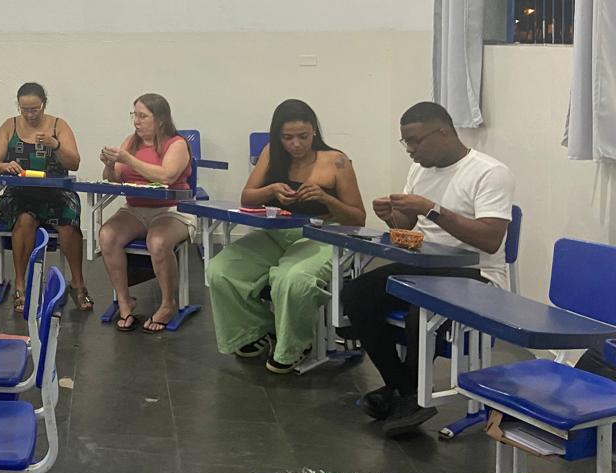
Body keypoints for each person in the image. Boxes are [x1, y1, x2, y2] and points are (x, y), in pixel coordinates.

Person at [342, 101, 515, 438]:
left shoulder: (490, 173)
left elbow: (491, 240)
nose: (410, 149)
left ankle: (402, 393)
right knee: (357, 293)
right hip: (426, 266)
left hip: (477, 273)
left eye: (415, 141)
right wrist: (391, 216)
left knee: (420, 309)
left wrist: (433, 209)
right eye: (405, 142)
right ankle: (406, 390)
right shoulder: (420, 169)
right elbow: (407, 225)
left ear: (444, 133)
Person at [206, 100, 365, 373]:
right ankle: (257, 329)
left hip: (322, 235)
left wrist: (326, 199)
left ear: (314, 130)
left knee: (293, 279)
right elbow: (247, 197)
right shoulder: (271, 153)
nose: (295, 144)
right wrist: (271, 191)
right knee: (221, 270)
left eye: (302, 136)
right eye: (287, 137)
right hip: (276, 233)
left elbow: (358, 218)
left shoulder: (337, 161)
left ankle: (294, 344)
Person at [0, 82, 91, 312]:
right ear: (18, 106)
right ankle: (20, 285)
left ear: (44, 104)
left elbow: (74, 162)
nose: (30, 114)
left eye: (35, 109)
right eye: (25, 109)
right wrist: (5, 166)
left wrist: (56, 145)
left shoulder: (58, 125)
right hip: (21, 192)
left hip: (56, 192)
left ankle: (77, 283)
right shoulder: (10, 126)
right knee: (24, 220)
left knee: (68, 222)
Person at [96, 93, 196, 333]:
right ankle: (124, 301)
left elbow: (167, 176)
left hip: (172, 210)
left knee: (158, 241)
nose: (136, 121)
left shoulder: (177, 143)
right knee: (107, 235)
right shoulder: (130, 142)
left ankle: (168, 304)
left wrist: (128, 159)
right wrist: (109, 165)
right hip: (135, 209)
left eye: (143, 116)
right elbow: (114, 178)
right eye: (135, 115)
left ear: (160, 119)